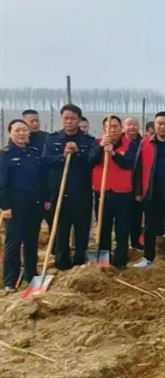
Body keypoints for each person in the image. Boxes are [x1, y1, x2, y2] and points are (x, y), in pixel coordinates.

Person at [43, 104, 97, 270]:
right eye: (66, 118)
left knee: (81, 231)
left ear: (79, 120)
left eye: (72, 119)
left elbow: (92, 162)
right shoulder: (52, 139)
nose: (69, 121)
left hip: (81, 194)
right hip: (60, 193)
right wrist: (63, 155)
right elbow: (46, 160)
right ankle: (62, 263)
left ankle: (79, 263)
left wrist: (78, 152)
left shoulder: (89, 141)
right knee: (61, 231)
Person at [1, 120, 49, 292]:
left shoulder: (34, 153)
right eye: (17, 130)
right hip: (15, 206)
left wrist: (46, 199)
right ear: (10, 133)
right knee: (13, 242)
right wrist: (4, 206)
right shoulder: (5, 155)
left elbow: (42, 179)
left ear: (29, 133)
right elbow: (2, 183)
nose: (21, 133)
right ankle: (10, 280)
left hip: (34, 205)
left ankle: (31, 275)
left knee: (31, 241)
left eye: (24, 130)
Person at [88, 115, 137, 269]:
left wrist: (114, 153)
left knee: (122, 228)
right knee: (103, 227)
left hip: (123, 193)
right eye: (109, 127)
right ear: (104, 129)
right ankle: (104, 260)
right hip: (102, 192)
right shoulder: (96, 143)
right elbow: (90, 161)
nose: (112, 130)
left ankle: (121, 260)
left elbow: (129, 164)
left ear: (121, 128)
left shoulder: (130, 144)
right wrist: (101, 149)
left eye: (115, 126)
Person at [132, 112, 165, 268]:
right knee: (150, 226)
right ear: (155, 125)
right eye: (159, 123)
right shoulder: (145, 143)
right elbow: (138, 167)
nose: (162, 126)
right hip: (151, 191)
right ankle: (148, 257)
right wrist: (138, 191)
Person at [123, 117, 145, 250]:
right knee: (122, 218)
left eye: (135, 125)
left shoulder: (144, 143)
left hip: (137, 186)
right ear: (124, 127)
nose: (132, 127)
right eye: (129, 124)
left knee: (136, 216)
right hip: (120, 187)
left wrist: (139, 190)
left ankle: (136, 242)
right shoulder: (118, 143)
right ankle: (122, 245)